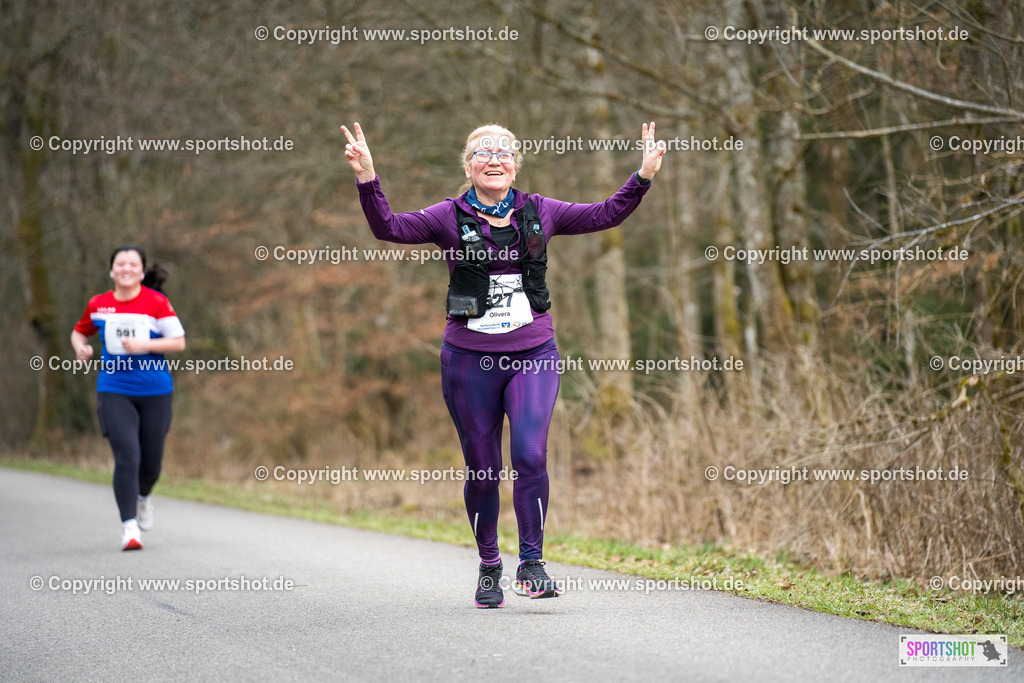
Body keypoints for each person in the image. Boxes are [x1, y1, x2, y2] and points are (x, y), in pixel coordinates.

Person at [341, 121, 664, 607]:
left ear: (516, 163)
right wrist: (368, 177)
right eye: (482, 152)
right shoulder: (447, 216)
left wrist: (641, 175)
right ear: (468, 166)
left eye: (504, 152)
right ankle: (489, 563)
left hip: (534, 352)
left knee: (530, 454)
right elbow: (388, 227)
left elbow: (605, 214)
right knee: (483, 468)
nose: (494, 158)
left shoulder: (541, 211)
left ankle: (532, 562)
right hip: (469, 359)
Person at [71, 246, 186, 551]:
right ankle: (129, 529)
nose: (126, 268)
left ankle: (144, 498)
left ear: (141, 271)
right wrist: (81, 347)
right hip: (114, 389)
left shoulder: (156, 302)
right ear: (111, 271)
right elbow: (79, 332)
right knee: (127, 456)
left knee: (151, 465)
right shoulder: (98, 304)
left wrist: (144, 343)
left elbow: (178, 343)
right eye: (120, 263)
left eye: (132, 264)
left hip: (155, 391)